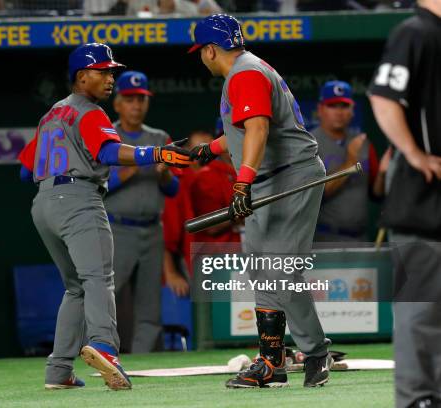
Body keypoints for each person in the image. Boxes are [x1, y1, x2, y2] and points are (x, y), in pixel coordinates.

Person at [18, 43, 192, 391]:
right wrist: (156, 153)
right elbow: (110, 152)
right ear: (82, 77)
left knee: (76, 287)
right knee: (98, 279)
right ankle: (105, 347)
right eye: (102, 71)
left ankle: (59, 371)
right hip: (79, 199)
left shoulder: (52, 113)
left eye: (111, 71)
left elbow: (25, 171)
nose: (110, 77)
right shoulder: (90, 112)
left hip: (44, 204)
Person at [188, 14, 332, 389]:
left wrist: (241, 183)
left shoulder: (244, 73)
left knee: (279, 268)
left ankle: (299, 357)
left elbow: (259, 127)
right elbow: (244, 129)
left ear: (209, 50)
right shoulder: (246, 70)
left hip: (288, 176)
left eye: (200, 52)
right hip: (271, 179)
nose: (201, 57)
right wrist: (211, 148)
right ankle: (282, 361)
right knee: (265, 268)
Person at [368, 1, 441, 406]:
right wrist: (413, 153)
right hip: (423, 200)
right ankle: (416, 400)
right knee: (420, 313)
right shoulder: (415, 31)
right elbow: (383, 97)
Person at [105, 70, 180, 353]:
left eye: (141, 99)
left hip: (152, 228)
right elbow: (101, 185)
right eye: (130, 99)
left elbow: (172, 190)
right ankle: (98, 353)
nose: (136, 105)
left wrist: (162, 174)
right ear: (118, 103)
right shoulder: (107, 136)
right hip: (117, 228)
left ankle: (144, 359)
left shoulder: (159, 136)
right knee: (105, 297)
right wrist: (139, 160)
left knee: (150, 305)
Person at [311, 80, 386, 242]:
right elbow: (314, 195)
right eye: (332, 105)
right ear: (320, 109)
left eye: (344, 106)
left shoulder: (363, 143)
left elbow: (376, 194)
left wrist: (382, 174)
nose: (339, 112)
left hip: (361, 237)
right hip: (323, 238)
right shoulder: (309, 144)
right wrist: (351, 162)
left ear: (352, 111)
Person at [163, 130, 214, 297]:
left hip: (215, 263)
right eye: (198, 149)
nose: (204, 155)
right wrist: (171, 273)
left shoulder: (220, 178)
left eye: (210, 150)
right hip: (189, 268)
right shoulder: (179, 181)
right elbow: (167, 236)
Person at [190, 120, 241, 245]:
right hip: (217, 255)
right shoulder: (207, 176)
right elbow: (211, 226)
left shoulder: (250, 170)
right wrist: (245, 214)